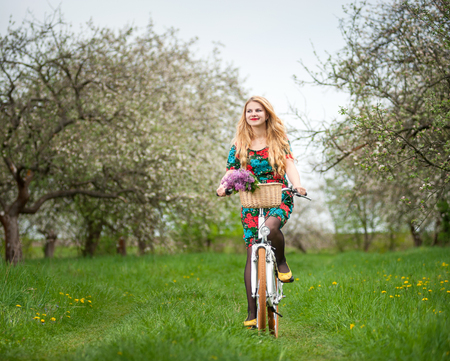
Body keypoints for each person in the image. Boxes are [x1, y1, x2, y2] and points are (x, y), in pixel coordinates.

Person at [216, 96, 307, 327]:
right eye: (249, 111)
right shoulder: (239, 143)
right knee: (251, 252)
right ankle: (252, 312)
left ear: (267, 114)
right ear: (245, 115)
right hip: (251, 200)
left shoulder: (279, 139)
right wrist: (222, 186)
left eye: (258, 110)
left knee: (270, 227)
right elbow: (231, 170)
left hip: (278, 194)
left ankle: (282, 261)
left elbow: (289, 165)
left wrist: (297, 185)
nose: (253, 114)